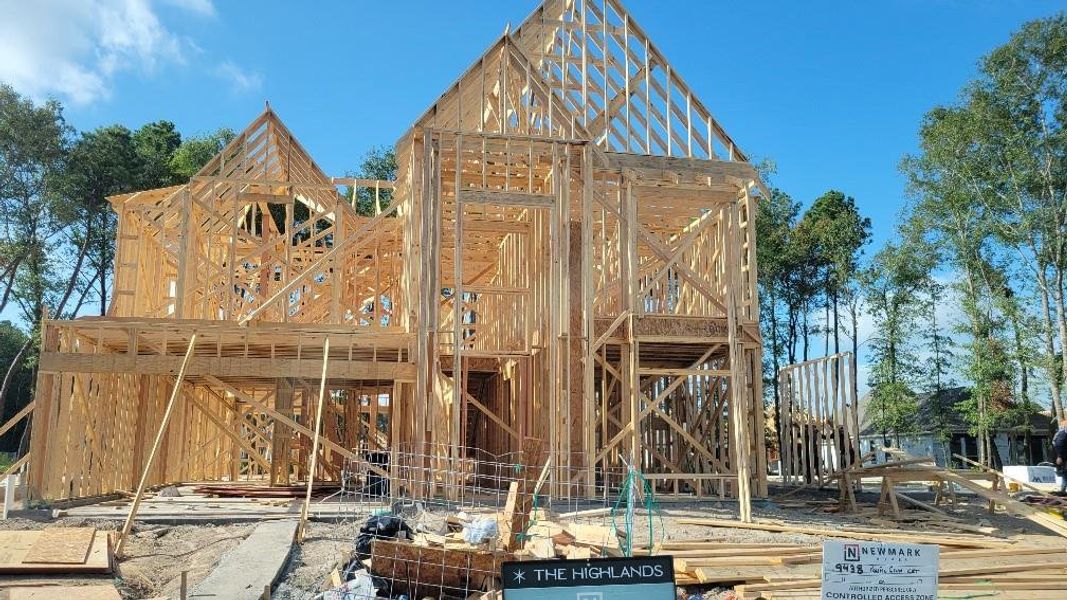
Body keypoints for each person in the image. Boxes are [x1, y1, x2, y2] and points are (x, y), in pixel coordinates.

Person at [1054, 419, 1067, 495]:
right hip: (1064, 458)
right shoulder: (1063, 434)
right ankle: (1063, 491)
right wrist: (1059, 456)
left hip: (1064, 457)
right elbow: (1058, 444)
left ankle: (1063, 490)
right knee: (1065, 474)